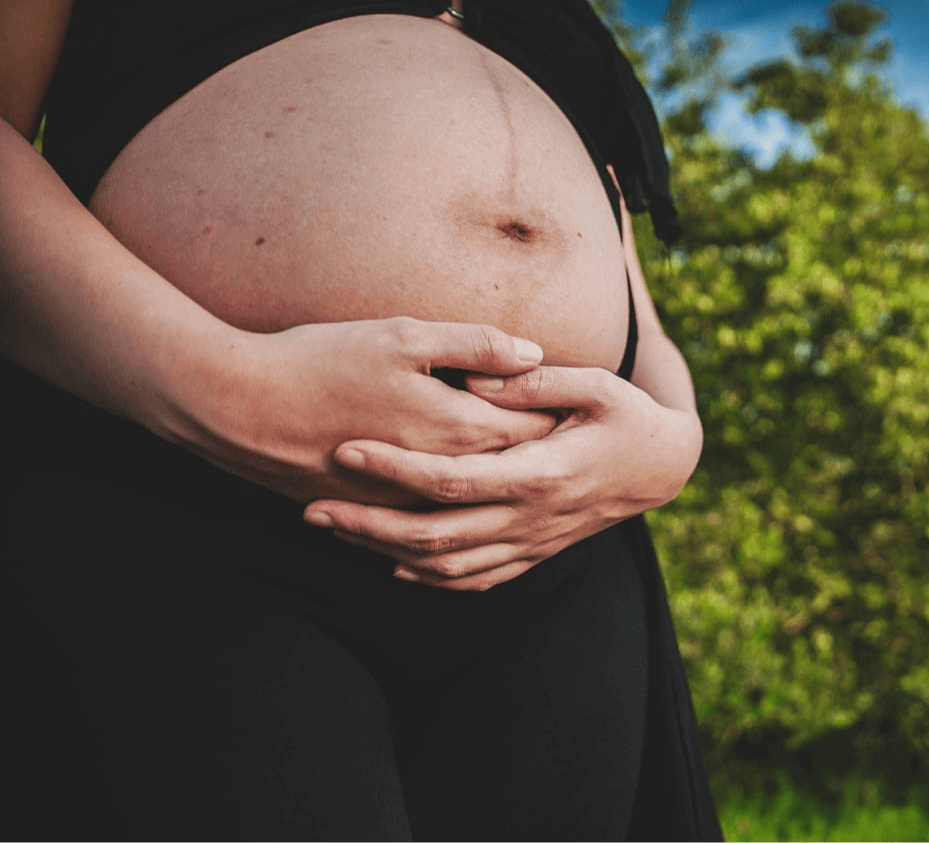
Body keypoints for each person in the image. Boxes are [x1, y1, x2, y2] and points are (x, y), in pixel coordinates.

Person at [0, 0, 722, 840]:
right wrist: (225, 389)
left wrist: (673, 441)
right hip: (200, 497)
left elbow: (641, 309)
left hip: (552, 544)